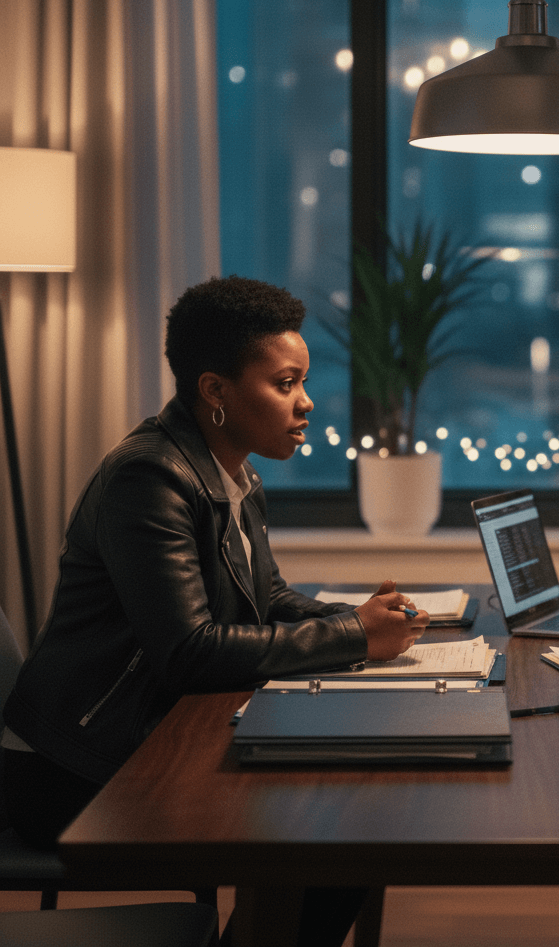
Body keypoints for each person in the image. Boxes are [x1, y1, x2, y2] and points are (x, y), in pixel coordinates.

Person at [2, 275, 428, 942]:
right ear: (215, 391)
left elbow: (268, 599)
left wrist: (361, 618)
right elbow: (189, 650)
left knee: (353, 818)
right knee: (336, 826)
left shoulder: (233, 471)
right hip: (78, 766)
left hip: (158, 734)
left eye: (302, 383)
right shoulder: (150, 479)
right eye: (285, 384)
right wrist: (352, 634)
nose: (307, 403)